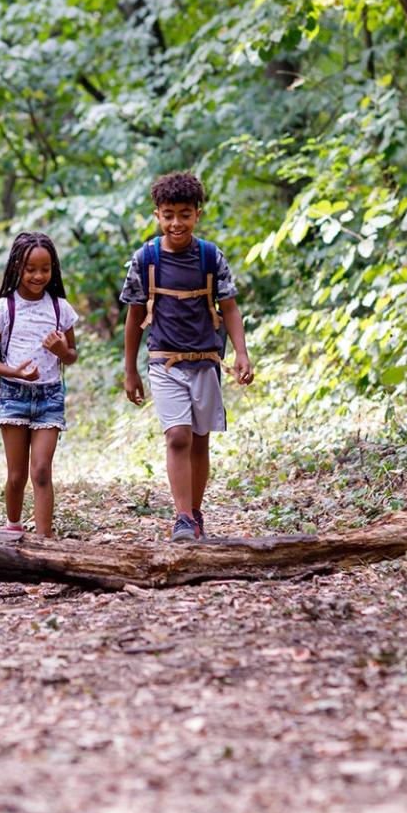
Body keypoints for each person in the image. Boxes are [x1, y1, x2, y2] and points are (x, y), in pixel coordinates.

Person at [120, 171, 253, 542]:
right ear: (156, 215)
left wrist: (241, 353)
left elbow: (229, 307)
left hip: (206, 359)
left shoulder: (211, 256)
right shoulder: (145, 259)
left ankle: (195, 513)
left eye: (184, 214)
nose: (176, 222)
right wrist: (130, 370)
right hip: (164, 361)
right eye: (168, 214)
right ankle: (181, 518)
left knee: (199, 439)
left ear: (197, 213)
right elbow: (134, 317)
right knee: (177, 436)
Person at [0, 232, 79, 538]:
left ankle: (44, 541)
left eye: (45, 269)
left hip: (49, 397)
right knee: (17, 474)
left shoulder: (61, 309)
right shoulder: (3, 309)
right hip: (14, 396)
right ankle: (13, 527)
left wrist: (61, 351)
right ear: (17, 268)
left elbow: (72, 356)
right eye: (30, 269)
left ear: (53, 269)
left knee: (41, 471)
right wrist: (15, 372)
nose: (38, 276)